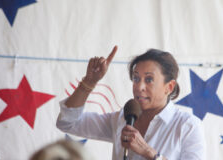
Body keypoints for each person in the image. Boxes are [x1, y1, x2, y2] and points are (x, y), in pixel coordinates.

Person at [56, 46, 206, 160]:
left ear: (169, 87)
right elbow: (68, 123)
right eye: (135, 79)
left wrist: (150, 153)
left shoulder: (187, 126)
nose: (139, 87)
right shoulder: (122, 119)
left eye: (149, 80)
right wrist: (89, 81)